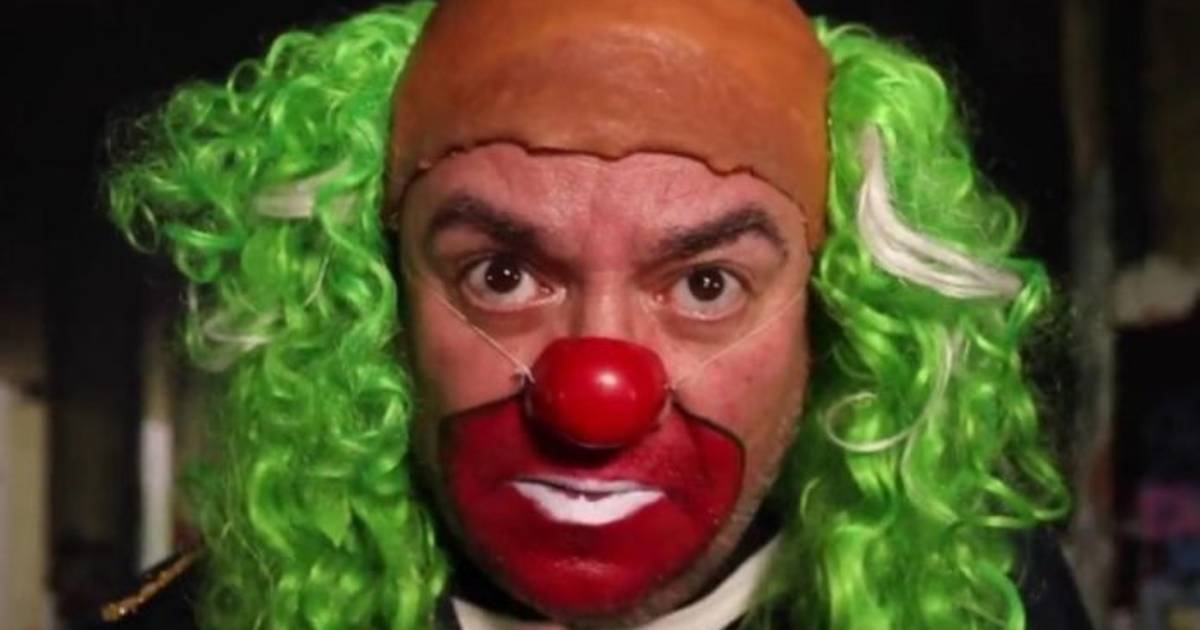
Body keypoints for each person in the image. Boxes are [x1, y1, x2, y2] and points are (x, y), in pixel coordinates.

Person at [95, 0, 1093, 628]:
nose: (594, 392)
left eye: (707, 285)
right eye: (500, 275)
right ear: (377, 304)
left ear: (835, 315)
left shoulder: (989, 605)